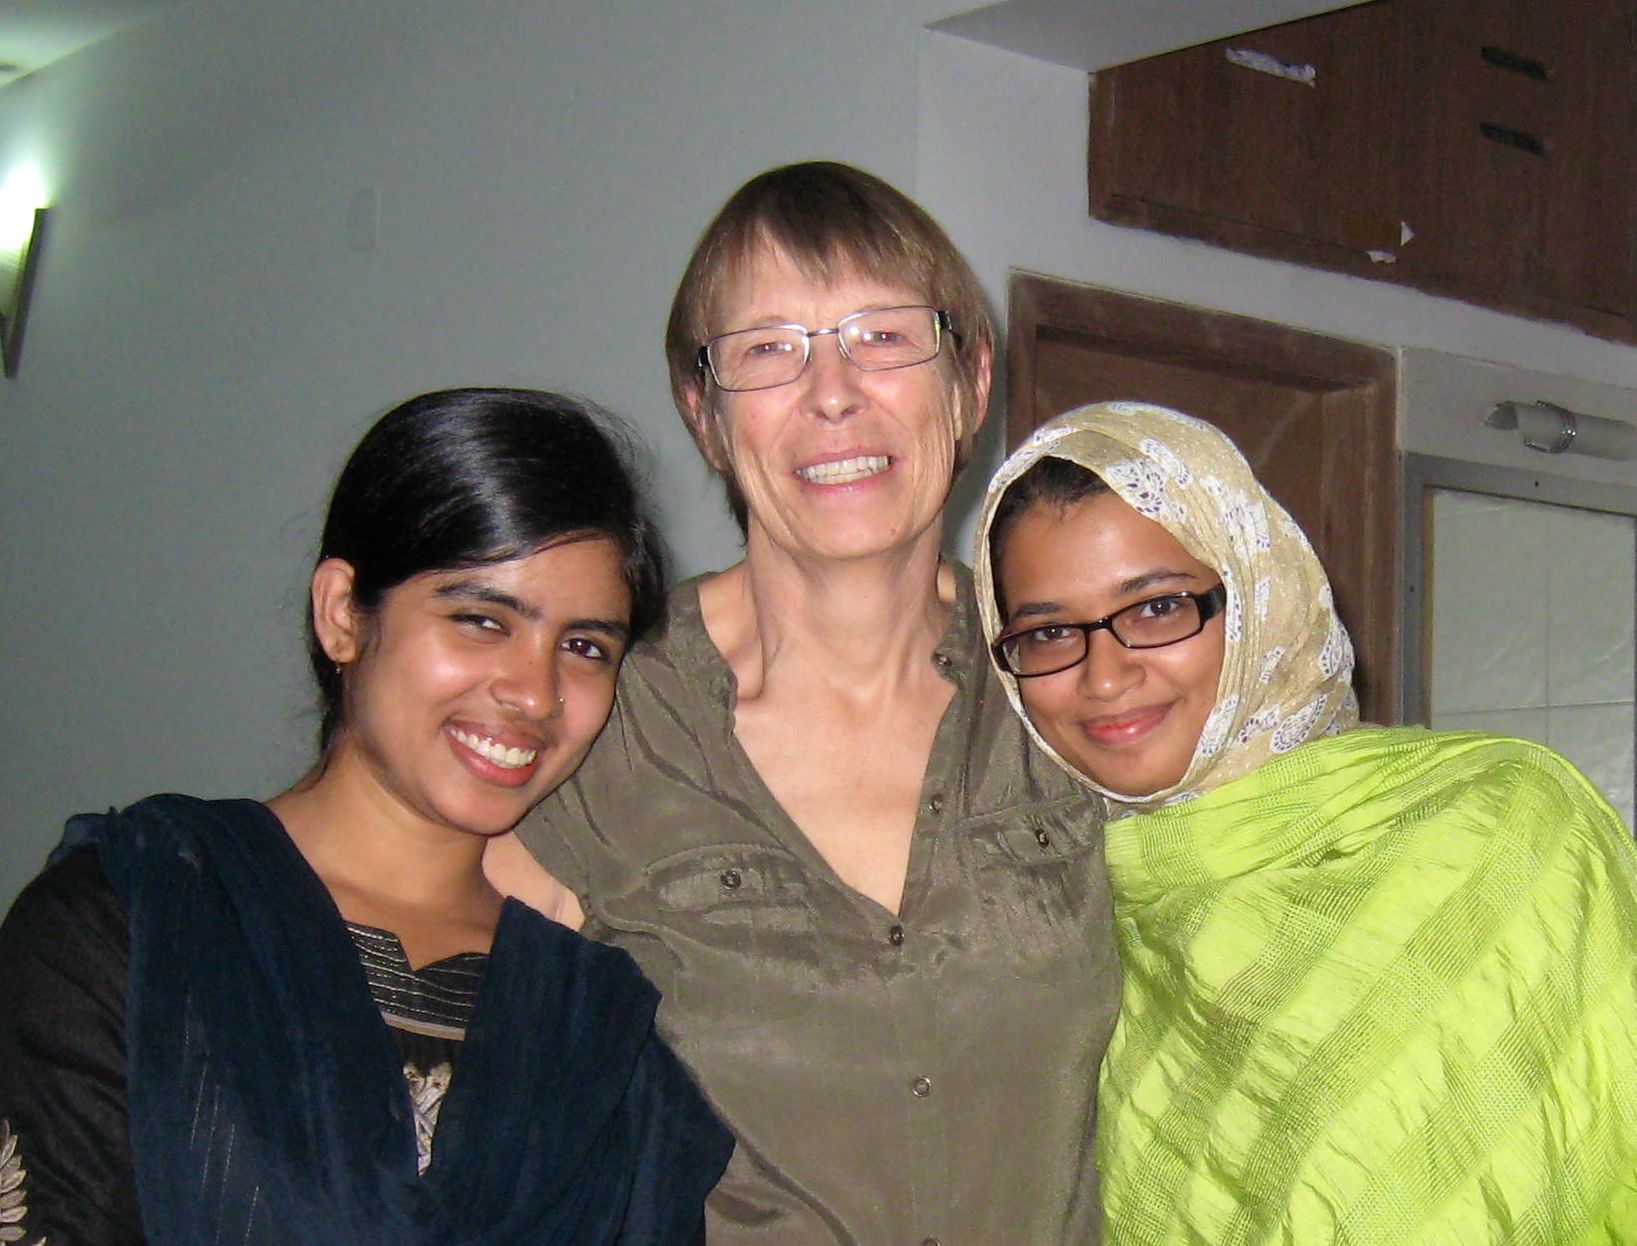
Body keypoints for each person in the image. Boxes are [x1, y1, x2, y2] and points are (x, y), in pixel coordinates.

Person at [490, 162, 1120, 1245]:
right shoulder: (603, 722)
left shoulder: (1070, 688)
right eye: (768, 350)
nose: (832, 393)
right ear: (703, 411)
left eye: (882, 337)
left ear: (970, 382)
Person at [0, 388, 732, 1246]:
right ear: (344, 612)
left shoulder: (596, 1031)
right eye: (481, 620)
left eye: (584, 647)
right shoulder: (133, 923)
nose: (534, 692)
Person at [974, 399, 1637, 1245]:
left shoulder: (1495, 826)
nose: (1103, 675)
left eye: (1155, 609)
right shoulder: (1087, 922)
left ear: (1254, 597)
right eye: (1048, 632)